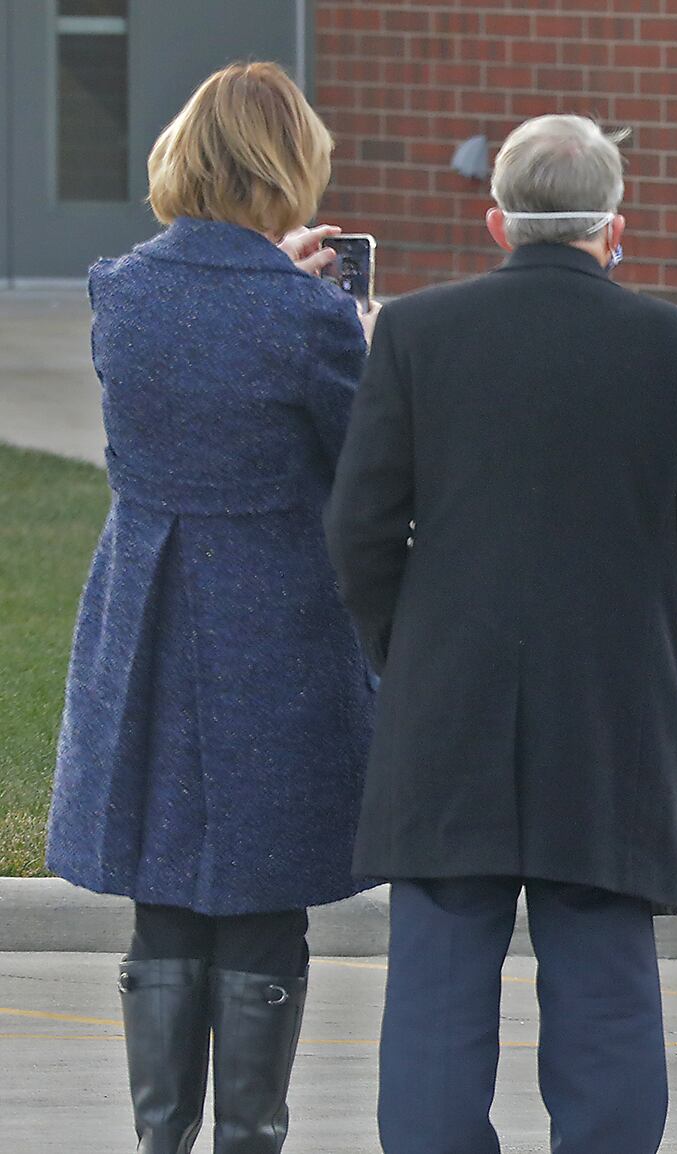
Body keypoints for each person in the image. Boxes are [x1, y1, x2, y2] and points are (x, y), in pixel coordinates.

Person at [324, 113, 677, 1154]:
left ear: (496, 220)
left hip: (447, 694)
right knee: (605, 980)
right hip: (608, 696)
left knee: (436, 981)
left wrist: (406, 645)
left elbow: (360, 529)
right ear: (617, 227)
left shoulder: (418, 335)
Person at [45, 61, 379, 1154]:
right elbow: (364, 467)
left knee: (165, 885)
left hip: (143, 598)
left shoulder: (120, 290)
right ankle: (248, 1136)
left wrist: (280, 286)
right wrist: (346, 323)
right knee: (262, 889)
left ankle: (162, 1138)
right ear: (288, 163)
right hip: (272, 612)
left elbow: (201, 344)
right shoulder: (309, 319)